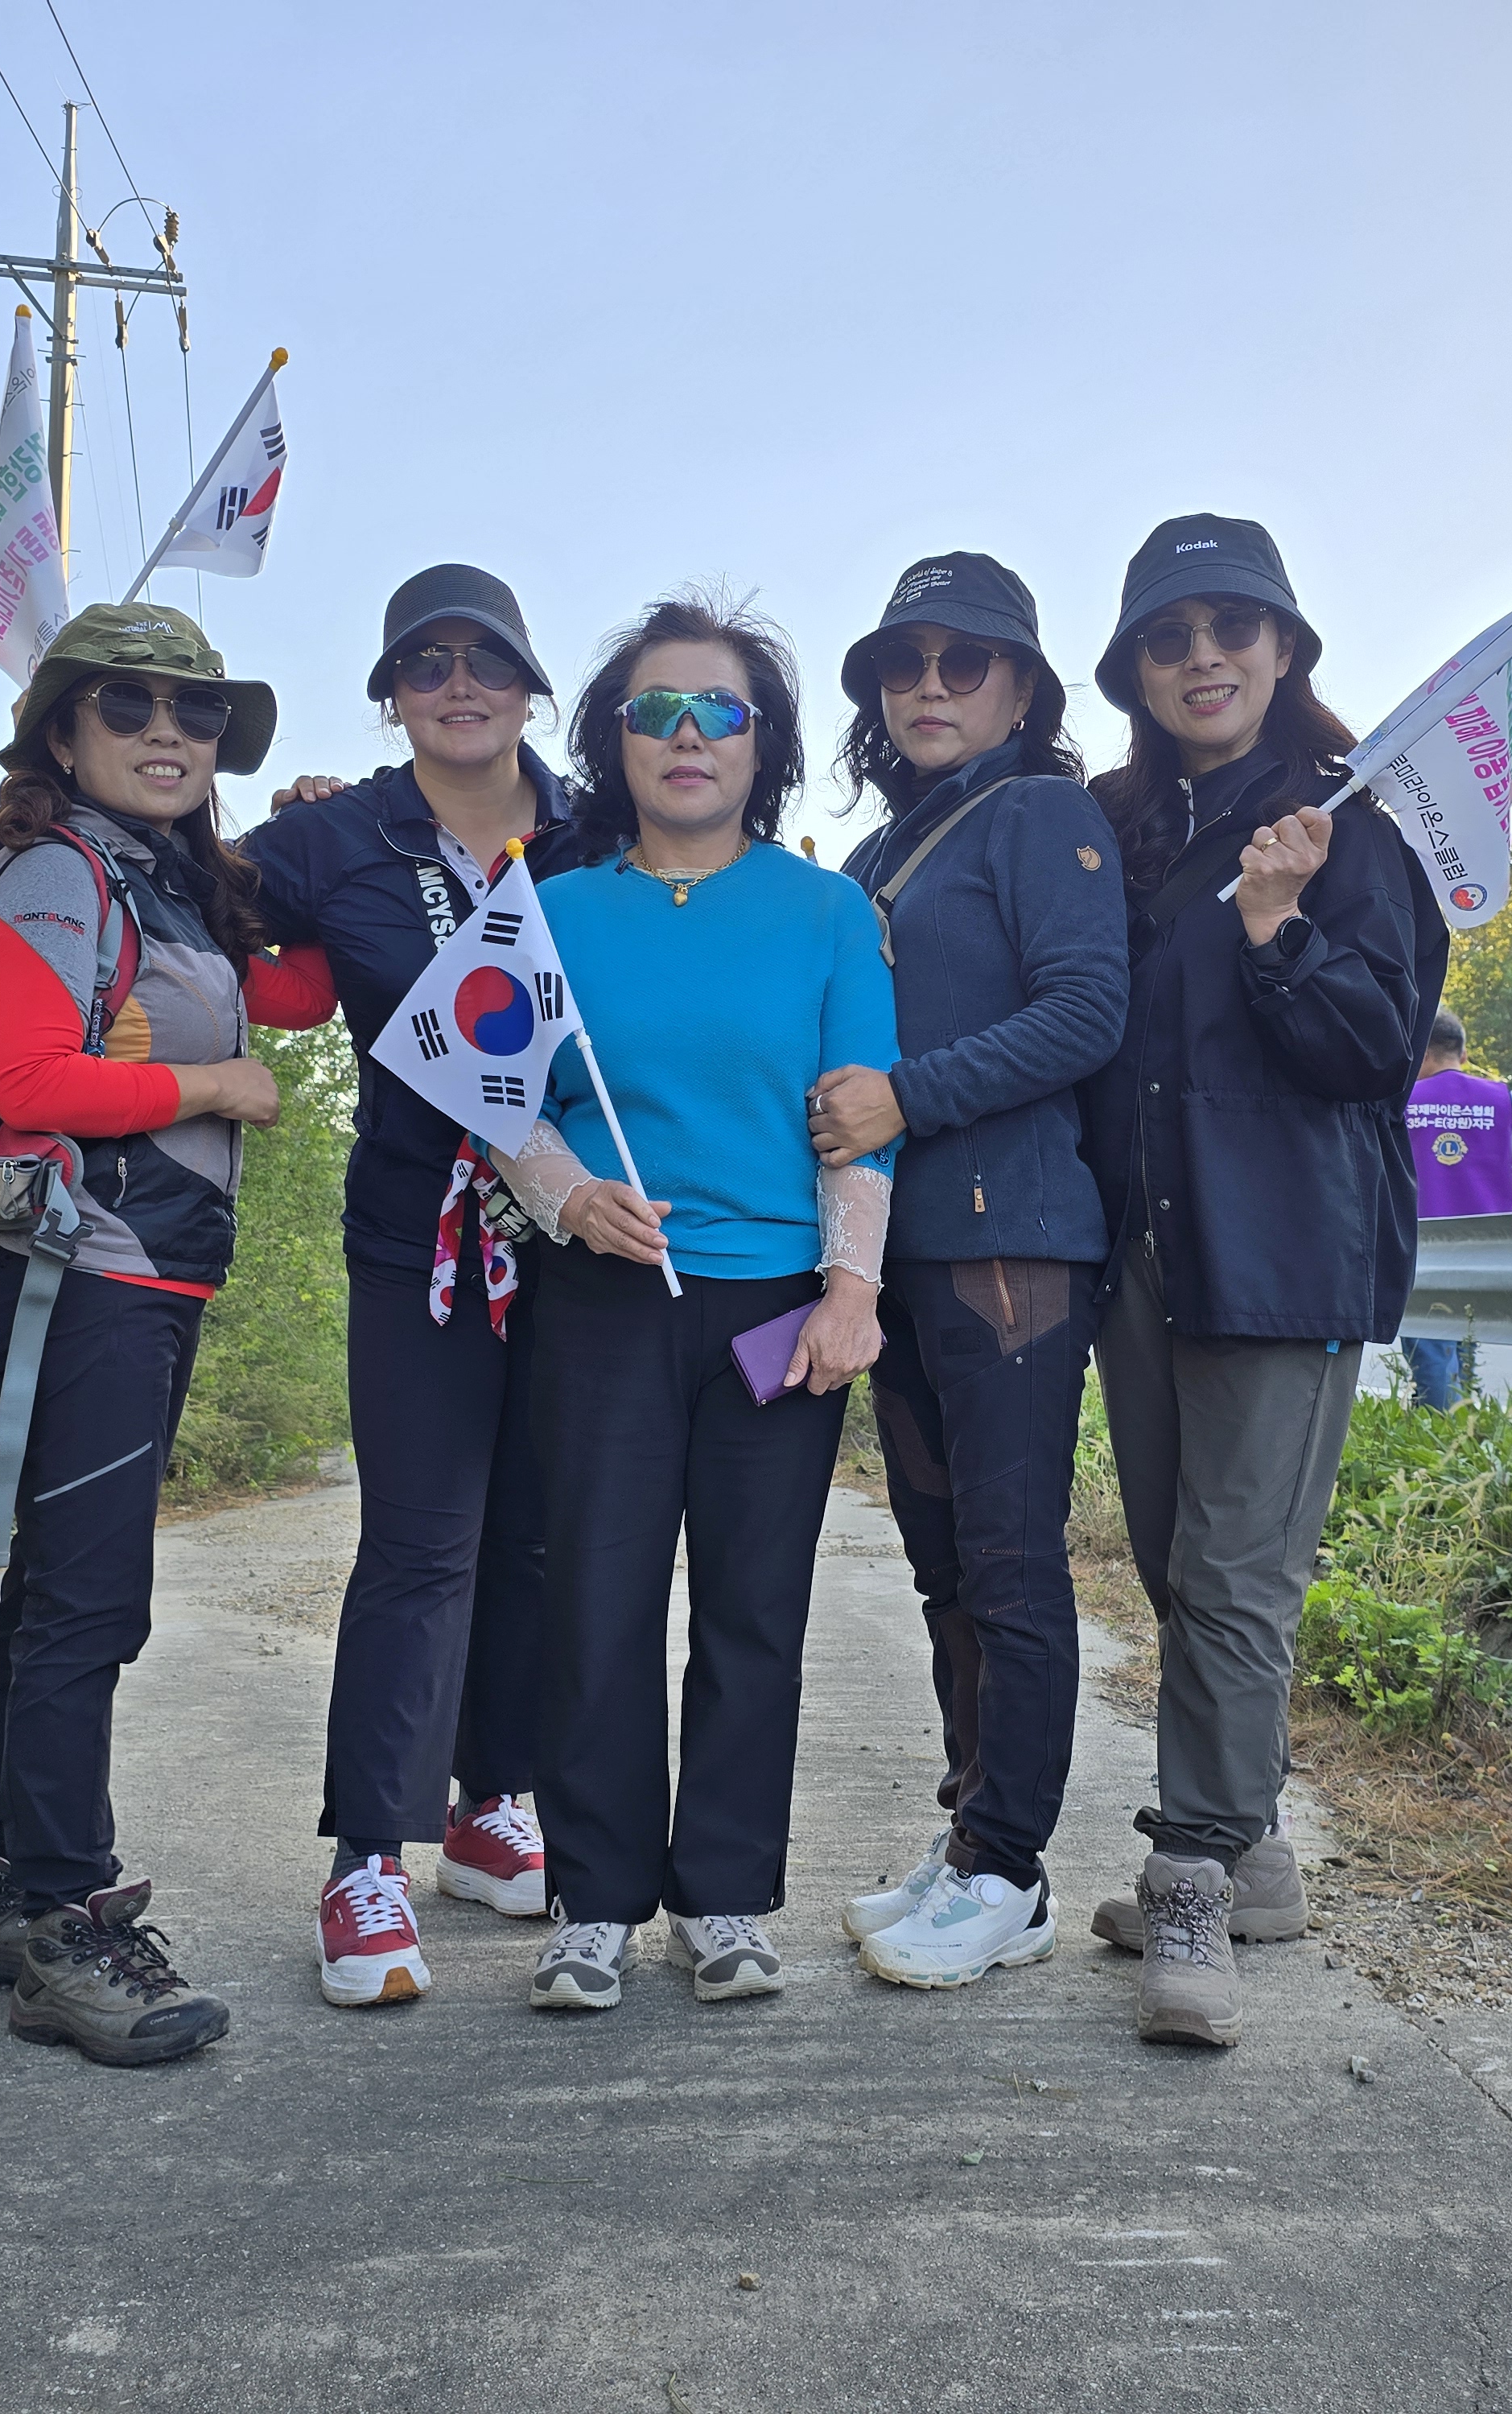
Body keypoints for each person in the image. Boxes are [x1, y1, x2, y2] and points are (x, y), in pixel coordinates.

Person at [0, 604, 335, 2067]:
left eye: (196, 713)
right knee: (92, 1604)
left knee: (51, 1589)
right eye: (129, 706)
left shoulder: (161, 886)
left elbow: (301, 991)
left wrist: (305, 846)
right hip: (73, 1278)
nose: (168, 733)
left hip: (137, 1280)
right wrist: (215, 1088)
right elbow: (31, 1078)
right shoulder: (54, 869)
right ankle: (66, 1925)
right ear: (64, 730)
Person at [483, 591, 896, 2012]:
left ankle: (722, 1896)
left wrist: (853, 1289)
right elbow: (501, 1097)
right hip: (604, 1299)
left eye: (719, 709)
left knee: (754, 1608)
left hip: (775, 1308)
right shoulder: (546, 910)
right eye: (653, 710)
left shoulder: (828, 912)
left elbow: (860, 1121)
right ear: (613, 739)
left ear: (762, 741)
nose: (686, 735)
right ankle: (594, 1901)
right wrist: (568, 1197)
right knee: (594, 1603)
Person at [1075, 517, 1448, 2047]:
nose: (1202, 657)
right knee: (1180, 1564)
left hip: (1286, 1249)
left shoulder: (1351, 827)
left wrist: (1278, 923)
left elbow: (1375, 1052)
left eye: (1232, 627)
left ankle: (1193, 1881)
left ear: (1284, 649)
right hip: (1147, 1249)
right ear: (1135, 672)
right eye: (1169, 637)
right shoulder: (1123, 833)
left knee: (1237, 1574)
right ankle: (1261, 1857)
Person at [235, 566, 586, 2010]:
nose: (459, 685)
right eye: (426, 663)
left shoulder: (596, 829)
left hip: (579, 1234)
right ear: (391, 693)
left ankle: (494, 1800)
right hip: (415, 1240)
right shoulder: (338, 835)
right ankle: (368, 1858)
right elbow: (185, 900)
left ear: (528, 685)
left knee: (540, 1538)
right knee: (422, 1542)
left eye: (485, 659)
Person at [806, 553, 1128, 1989]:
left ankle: (1011, 1867)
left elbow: (1087, 1012)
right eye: (903, 662)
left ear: (1022, 687)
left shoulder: (1043, 813)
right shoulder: (879, 852)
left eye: (965, 660)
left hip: (1015, 1245)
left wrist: (907, 1098)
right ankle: (971, 1840)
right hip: (900, 1254)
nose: (929, 685)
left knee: (1009, 1561)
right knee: (941, 1565)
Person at [1397, 1009, 1512, 1409]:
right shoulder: (1507, 1101)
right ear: (1463, 1054)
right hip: (1481, 1247)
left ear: (1420, 1052)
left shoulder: (1400, 1100)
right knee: (1463, 1339)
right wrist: (1501, 1210)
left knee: (1428, 1343)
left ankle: (1439, 1429)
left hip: (1417, 1242)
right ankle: (1458, 1423)